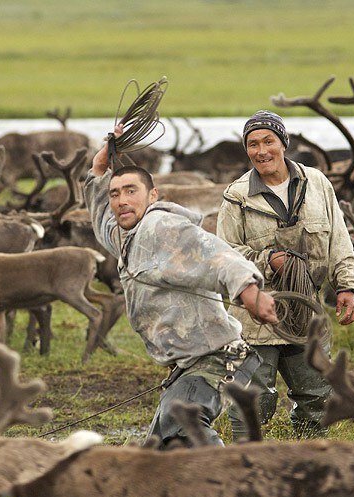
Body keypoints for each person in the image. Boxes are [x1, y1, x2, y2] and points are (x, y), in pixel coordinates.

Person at [86, 126, 278, 449]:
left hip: (216, 359)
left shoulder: (162, 226)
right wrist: (97, 170)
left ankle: (237, 480)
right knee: (160, 451)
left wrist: (249, 291)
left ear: (153, 196)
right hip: (189, 365)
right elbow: (103, 224)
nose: (121, 201)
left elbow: (215, 254)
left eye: (131, 191)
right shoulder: (129, 238)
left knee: (182, 423)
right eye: (115, 194)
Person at [216, 110, 354, 438]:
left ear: (284, 143)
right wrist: (269, 260)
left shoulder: (317, 184)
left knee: (317, 397)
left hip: (305, 314)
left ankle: (310, 456)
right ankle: (245, 461)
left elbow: (339, 239)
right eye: (253, 144)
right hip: (254, 319)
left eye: (269, 141)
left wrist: (346, 286)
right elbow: (224, 257)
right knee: (251, 403)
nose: (261, 151)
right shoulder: (236, 197)